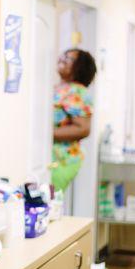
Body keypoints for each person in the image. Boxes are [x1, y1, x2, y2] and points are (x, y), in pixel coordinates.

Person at [51, 48, 97, 191]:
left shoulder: (77, 92)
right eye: (63, 55)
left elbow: (83, 129)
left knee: (48, 202)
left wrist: (46, 134)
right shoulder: (59, 88)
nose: (62, 59)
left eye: (69, 58)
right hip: (51, 156)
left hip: (63, 159)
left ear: (80, 67)